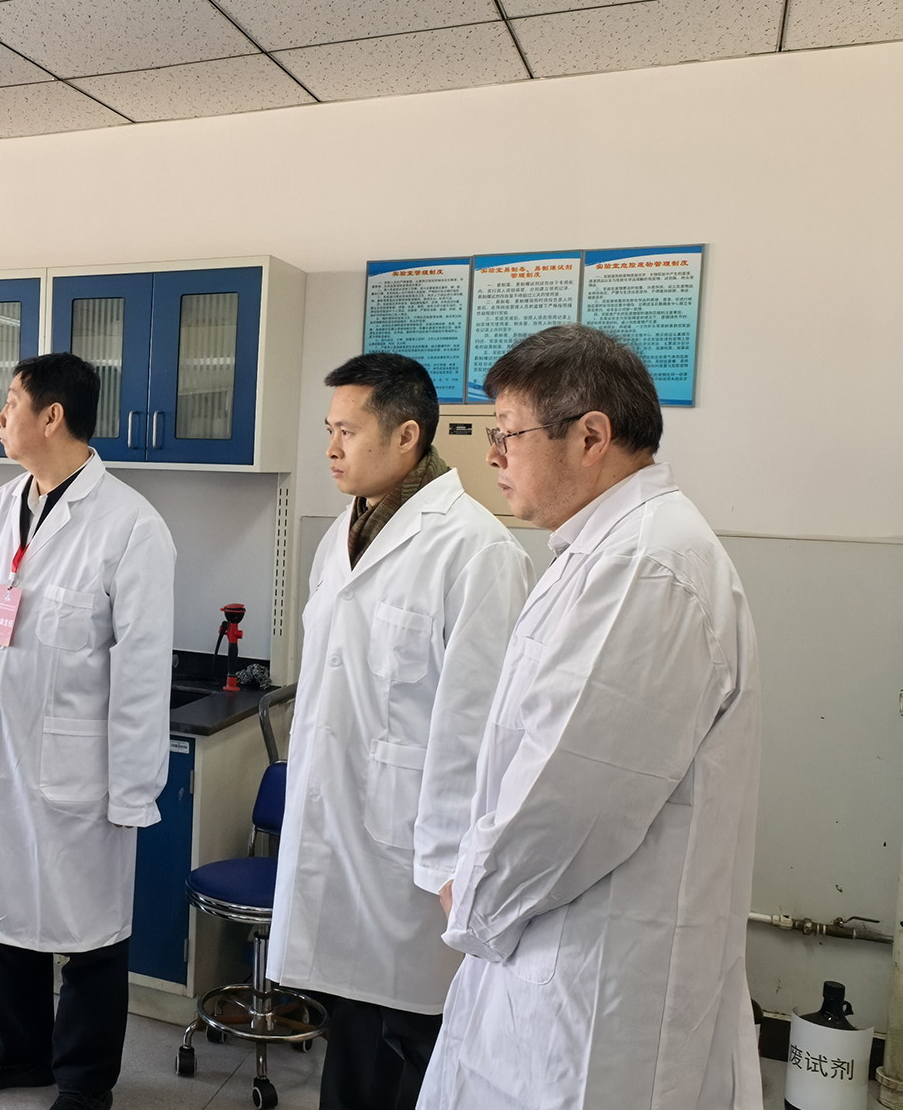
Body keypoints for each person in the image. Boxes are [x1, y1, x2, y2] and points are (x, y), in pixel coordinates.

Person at [420, 325, 762, 1110]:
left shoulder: (646, 567)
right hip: (556, 962)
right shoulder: (601, 551)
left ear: (591, 437)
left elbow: (570, 797)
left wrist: (472, 896)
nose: (492, 455)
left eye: (508, 434)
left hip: (598, 993)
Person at [268, 354, 533, 1110]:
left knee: (413, 1046)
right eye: (329, 430)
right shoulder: (341, 537)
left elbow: (479, 731)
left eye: (347, 432)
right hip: (341, 833)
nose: (331, 449)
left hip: (415, 859)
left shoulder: (476, 550)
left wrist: (453, 867)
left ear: (407, 434)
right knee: (353, 1037)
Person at [0, 353, 176, 1110]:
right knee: (2, 912)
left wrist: (133, 789)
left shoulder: (131, 526)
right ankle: (20, 1049)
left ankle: (84, 1080)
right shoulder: (0, 508)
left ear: (52, 416)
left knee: (89, 933)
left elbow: (142, 673)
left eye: (10, 402)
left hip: (78, 773)